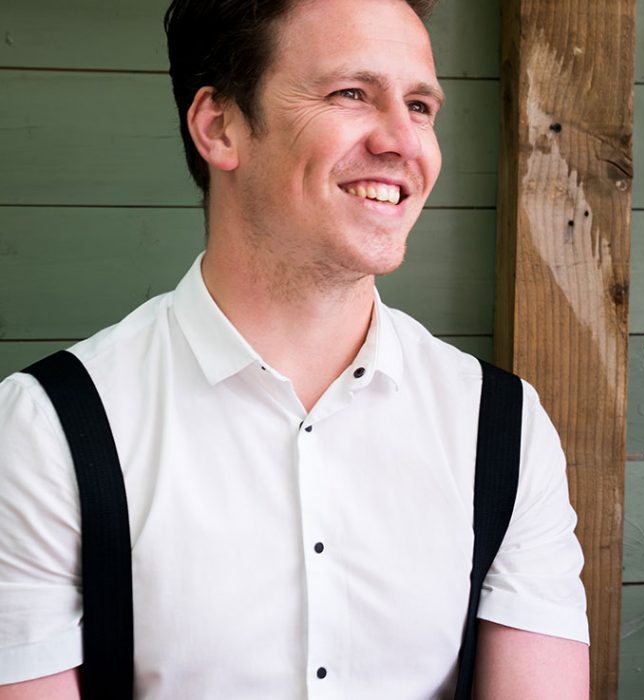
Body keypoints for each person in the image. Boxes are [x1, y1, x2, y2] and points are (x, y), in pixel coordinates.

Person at [0, 0, 590, 697]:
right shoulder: (43, 432)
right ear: (220, 127)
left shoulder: (505, 427)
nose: (405, 141)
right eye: (351, 94)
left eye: (422, 106)